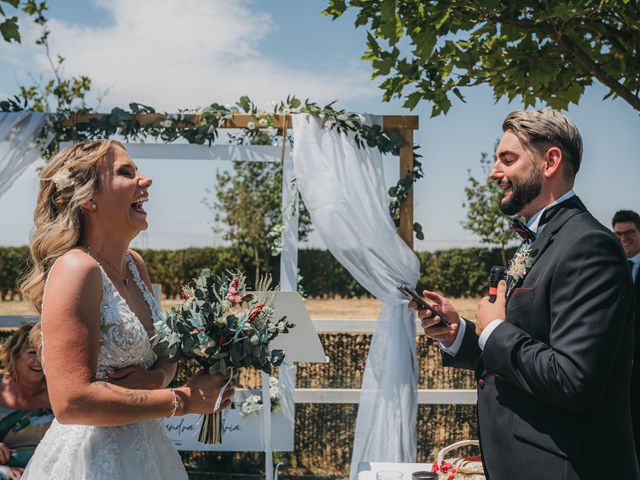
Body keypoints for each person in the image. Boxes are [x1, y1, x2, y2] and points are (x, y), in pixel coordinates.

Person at [417, 109, 637, 480]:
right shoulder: (545, 239)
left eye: (508, 159)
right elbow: (528, 347)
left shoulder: (588, 245)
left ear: (550, 161)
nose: (494, 172)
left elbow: (573, 379)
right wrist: (462, 334)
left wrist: (494, 331)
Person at [18, 140, 234, 479]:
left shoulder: (134, 265)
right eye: (126, 173)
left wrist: (157, 377)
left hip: (147, 448)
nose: (146, 181)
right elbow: (72, 402)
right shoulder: (77, 269)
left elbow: (163, 352)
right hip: (91, 459)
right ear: (88, 198)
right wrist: (184, 401)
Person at [0, 325, 51, 480]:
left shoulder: (56, 395)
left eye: (44, 353)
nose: (39, 360)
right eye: (32, 352)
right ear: (13, 355)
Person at [612, 209, 640, 462]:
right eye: (618, 234)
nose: (623, 238)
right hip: (617, 372)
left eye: (629, 232)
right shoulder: (610, 270)